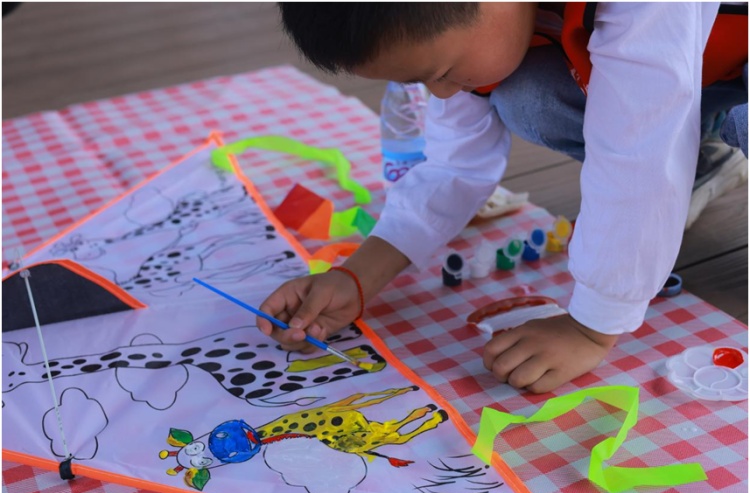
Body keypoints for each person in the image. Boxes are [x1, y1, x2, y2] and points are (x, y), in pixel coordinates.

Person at [259, 3, 748, 393]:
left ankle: (694, 146)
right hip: (683, 69)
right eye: (422, 81)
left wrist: (592, 328)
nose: (441, 92)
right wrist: (356, 277)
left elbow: (636, 145)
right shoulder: (466, 31)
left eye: (443, 70)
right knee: (528, 96)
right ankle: (695, 153)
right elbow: (454, 164)